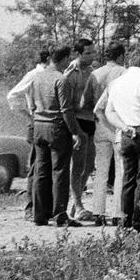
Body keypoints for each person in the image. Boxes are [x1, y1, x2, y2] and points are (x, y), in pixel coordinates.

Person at [102, 47, 140, 229]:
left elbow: (109, 112)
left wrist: (124, 128)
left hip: (127, 133)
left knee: (128, 179)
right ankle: (139, 221)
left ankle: (126, 221)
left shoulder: (117, 83)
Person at [25, 45, 74, 226]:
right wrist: (76, 132)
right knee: (60, 171)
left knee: (41, 171)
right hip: (56, 127)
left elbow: (32, 103)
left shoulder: (37, 77)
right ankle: (59, 213)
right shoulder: (61, 79)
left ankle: (39, 214)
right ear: (64, 59)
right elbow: (66, 109)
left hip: (39, 125)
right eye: (68, 58)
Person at [88, 43, 128, 225]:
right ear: (120, 55)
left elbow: (85, 101)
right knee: (120, 169)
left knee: (101, 170)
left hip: (99, 123)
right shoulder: (124, 72)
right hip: (117, 123)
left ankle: (98, 211)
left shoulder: (95, 73)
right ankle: (118, 212)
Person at [59, 39, 99, 222]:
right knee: (77, 166)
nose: (91, 56)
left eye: (93, 52)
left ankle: (77, 203)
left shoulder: (93, 71)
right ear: (78, 54)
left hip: (91, 120)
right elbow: (65, 104)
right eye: (88, 53)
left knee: (89, 165)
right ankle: (77, 203)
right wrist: (74, 129)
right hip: (77, 121)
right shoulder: (70, 73)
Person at [7, 49, 50, 212]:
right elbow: (13, 95)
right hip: (36, 123)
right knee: (36, 166)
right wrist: (28, 115)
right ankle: (31, 206)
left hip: (47, 123)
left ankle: (43, 206)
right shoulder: (34, 75)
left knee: (44, 166)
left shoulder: (49, 75)